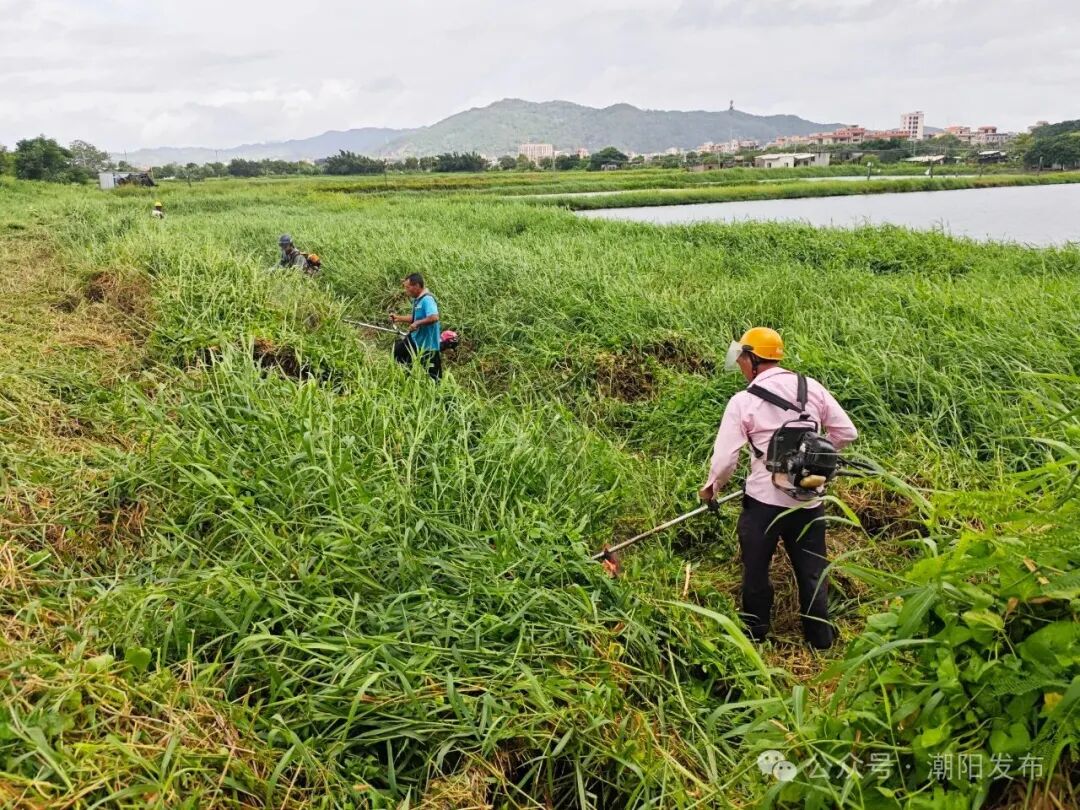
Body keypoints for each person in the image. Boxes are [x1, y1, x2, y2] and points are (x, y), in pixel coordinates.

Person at [699, 327, 857, 649]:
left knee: (756, 571)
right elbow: (846, 432)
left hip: (762, 505)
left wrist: (712, 488)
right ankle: (820, 640)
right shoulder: (810, 387)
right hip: (808, 501)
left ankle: (756, 637)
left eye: (743, 358)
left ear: (753, 359)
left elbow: (726, 458)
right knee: (813, 572)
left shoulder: (743, 401)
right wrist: (816, 463)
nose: (741, 364)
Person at [390, 273, 441, 381]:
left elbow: (434, 317)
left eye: (407, 287)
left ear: (417, 286)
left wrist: (418, 324)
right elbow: (415, 318)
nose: (406, 291)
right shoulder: (417, 300)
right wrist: (398, 318)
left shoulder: (427, 299)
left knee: (434, 377)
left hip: (428, 344)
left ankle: (439, 394)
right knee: (398, 351)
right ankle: (407, 379)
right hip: (416, 339)